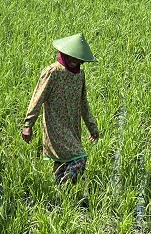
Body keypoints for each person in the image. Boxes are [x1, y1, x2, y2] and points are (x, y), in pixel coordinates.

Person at [21, 33, 100, 184]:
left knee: (62, 164)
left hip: (73, 127)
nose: (73, 61)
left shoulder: (80, 75)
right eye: (71, 56)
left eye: (78, 58)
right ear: (64, 53)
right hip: (55, 126)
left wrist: (92, 127)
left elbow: (84, 103)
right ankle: (64, 188)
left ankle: (59, 195)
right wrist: (28, 125)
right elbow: (37, 98)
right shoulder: (52, 72)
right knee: (80, 157)